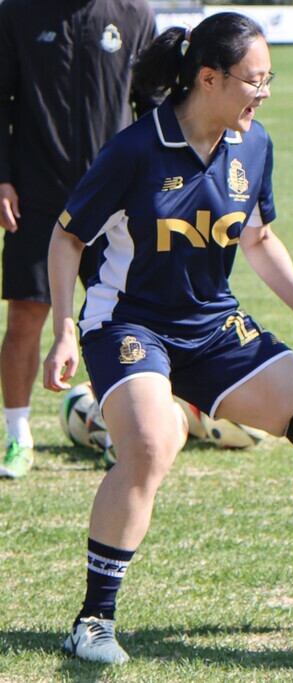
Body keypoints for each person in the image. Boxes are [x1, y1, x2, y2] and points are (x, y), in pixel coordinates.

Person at [43, 12, 293, 665]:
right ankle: (92, 619)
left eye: (270, 79)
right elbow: (66, 235)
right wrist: (64, 329)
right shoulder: (136, 149)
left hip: (213, 326)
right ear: (209, 79)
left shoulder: (255, 145)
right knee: (152, 444)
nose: (264, 92)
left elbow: (259, 237)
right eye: (254, 79)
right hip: (129, 323)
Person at [0, 0, 158, 478]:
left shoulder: (133, 14)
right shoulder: (17, 14)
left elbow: (150, 106)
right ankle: (17, 435)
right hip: (36, 194)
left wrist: (155, 186)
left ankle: (117, 432)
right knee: (27, 313)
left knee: (117, 321)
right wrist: (2, 176)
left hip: (113, 201)